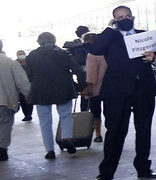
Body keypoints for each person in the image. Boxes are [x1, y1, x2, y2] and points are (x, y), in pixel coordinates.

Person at [86, 6, 156, 180]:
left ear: (133, 17)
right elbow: (95, 49)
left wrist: (154, 59)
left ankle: (143, 168)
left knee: (144, 130)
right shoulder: (110, 38)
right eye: (120, 17)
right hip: (116, 92)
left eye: (127, 16)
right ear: (114, 20)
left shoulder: (145, 35)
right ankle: (106, 172)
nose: (125, 19)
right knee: (115, 132)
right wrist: (109, 28)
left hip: (143, 90)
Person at [24, 32, 83, 160]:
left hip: (40, 91)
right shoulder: (63, 53)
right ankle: (67, 138)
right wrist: (83, 86)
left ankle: (50, 150)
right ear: (54, 41)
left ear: (39, 42)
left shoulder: (32, 55)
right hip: (63, 89)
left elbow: (29, 75)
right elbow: (77, 69)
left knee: (45, 121)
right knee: (65, 115)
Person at [81, 32, 106, 143]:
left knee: (96, 112)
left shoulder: (92, 55)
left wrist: (89, 88)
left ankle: (98, 134)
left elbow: (91, 75)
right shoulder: (107, 52)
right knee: (111, 112)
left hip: (96, 89)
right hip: (110, 87)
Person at [15, 51, 33, 122]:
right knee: (22, 101)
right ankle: (26, 114)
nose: (21, 56)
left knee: (29, 101)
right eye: (20, 54)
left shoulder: (29, 63)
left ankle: (29, 115)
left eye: (22, 54)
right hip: (18, 85)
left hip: (29, 83)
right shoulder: (15, 64)